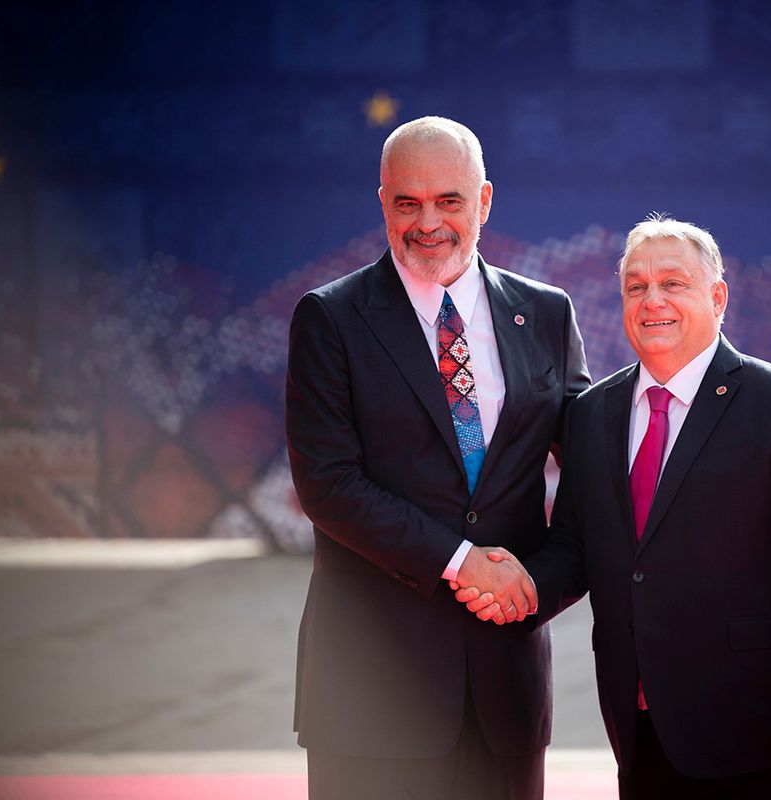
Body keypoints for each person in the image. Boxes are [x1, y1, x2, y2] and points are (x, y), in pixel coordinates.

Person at [459, 215, 771, 798]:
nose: (652, 300)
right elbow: (576, 545)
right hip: (641, 729)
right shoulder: (591, 414)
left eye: (673, 283)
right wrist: (512, 589)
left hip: (767, 731)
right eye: (636, 287)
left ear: (717, 295)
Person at [285, 115, 589, 800]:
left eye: (448, 201)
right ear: (383, 202)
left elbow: (590, 469)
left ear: (483, 201)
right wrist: (461, 562)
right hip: (370, 694)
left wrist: (539, 584)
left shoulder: (545, 312)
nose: (428, 223)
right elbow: (328, 484)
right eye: (407, 203)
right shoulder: (330, 318)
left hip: (505, 692)